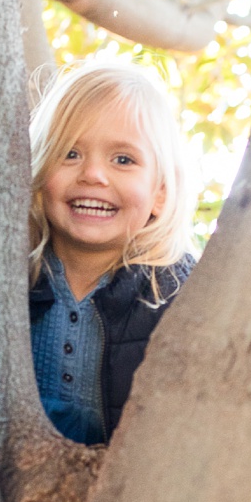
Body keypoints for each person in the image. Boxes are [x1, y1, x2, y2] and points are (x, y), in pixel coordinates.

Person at [26, 60, 196, 445]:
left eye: (123, 160)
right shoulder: (16, 277)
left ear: (160, 193)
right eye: (70, 153)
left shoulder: (174, 293)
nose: (93, 175)